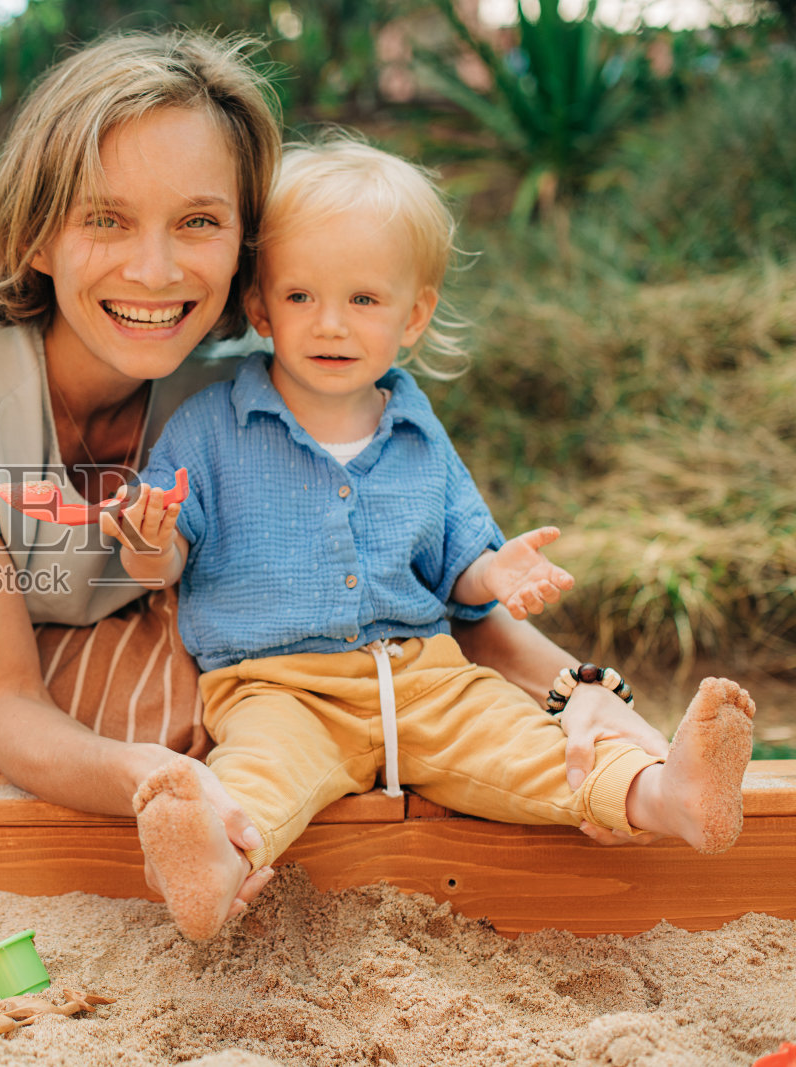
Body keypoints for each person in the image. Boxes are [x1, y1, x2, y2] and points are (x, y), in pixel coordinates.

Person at [0, 32, 672, 924]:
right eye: (104, 219)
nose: (155, 271)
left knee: (303, 671)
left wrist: (581, 692)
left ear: (246, 242)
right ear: (36, 232)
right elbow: (9, 708)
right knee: (206, 717)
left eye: (197, 222)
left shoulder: (232, 375)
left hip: (88, 611)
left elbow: (388, 584)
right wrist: (160, 783)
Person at [105, 138, 757, 941]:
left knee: (532, 748)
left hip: (427, 677)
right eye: (301, 296)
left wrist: (497, 570)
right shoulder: (208, 427)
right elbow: (162, 560)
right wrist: (145, 537)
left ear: (414, 314)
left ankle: (670, 794)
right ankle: (209, 861)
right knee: (259, 773)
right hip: (278, 685)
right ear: (261, 307)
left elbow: (459, 569)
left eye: (365, 301)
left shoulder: (418, 432)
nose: (331, 323)